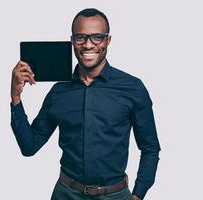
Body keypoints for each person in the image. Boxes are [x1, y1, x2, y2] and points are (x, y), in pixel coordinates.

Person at [10, 8, 161, 200]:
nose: (88, 45)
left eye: (97, 37)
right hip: (66, 194)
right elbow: (29, 147)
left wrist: (138, 195)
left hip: (115, 195)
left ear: (108, 40)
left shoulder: (133, 88)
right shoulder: (59, 92)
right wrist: (16, 98)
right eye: (81, 37)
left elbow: (150, 148)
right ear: (72, 41)